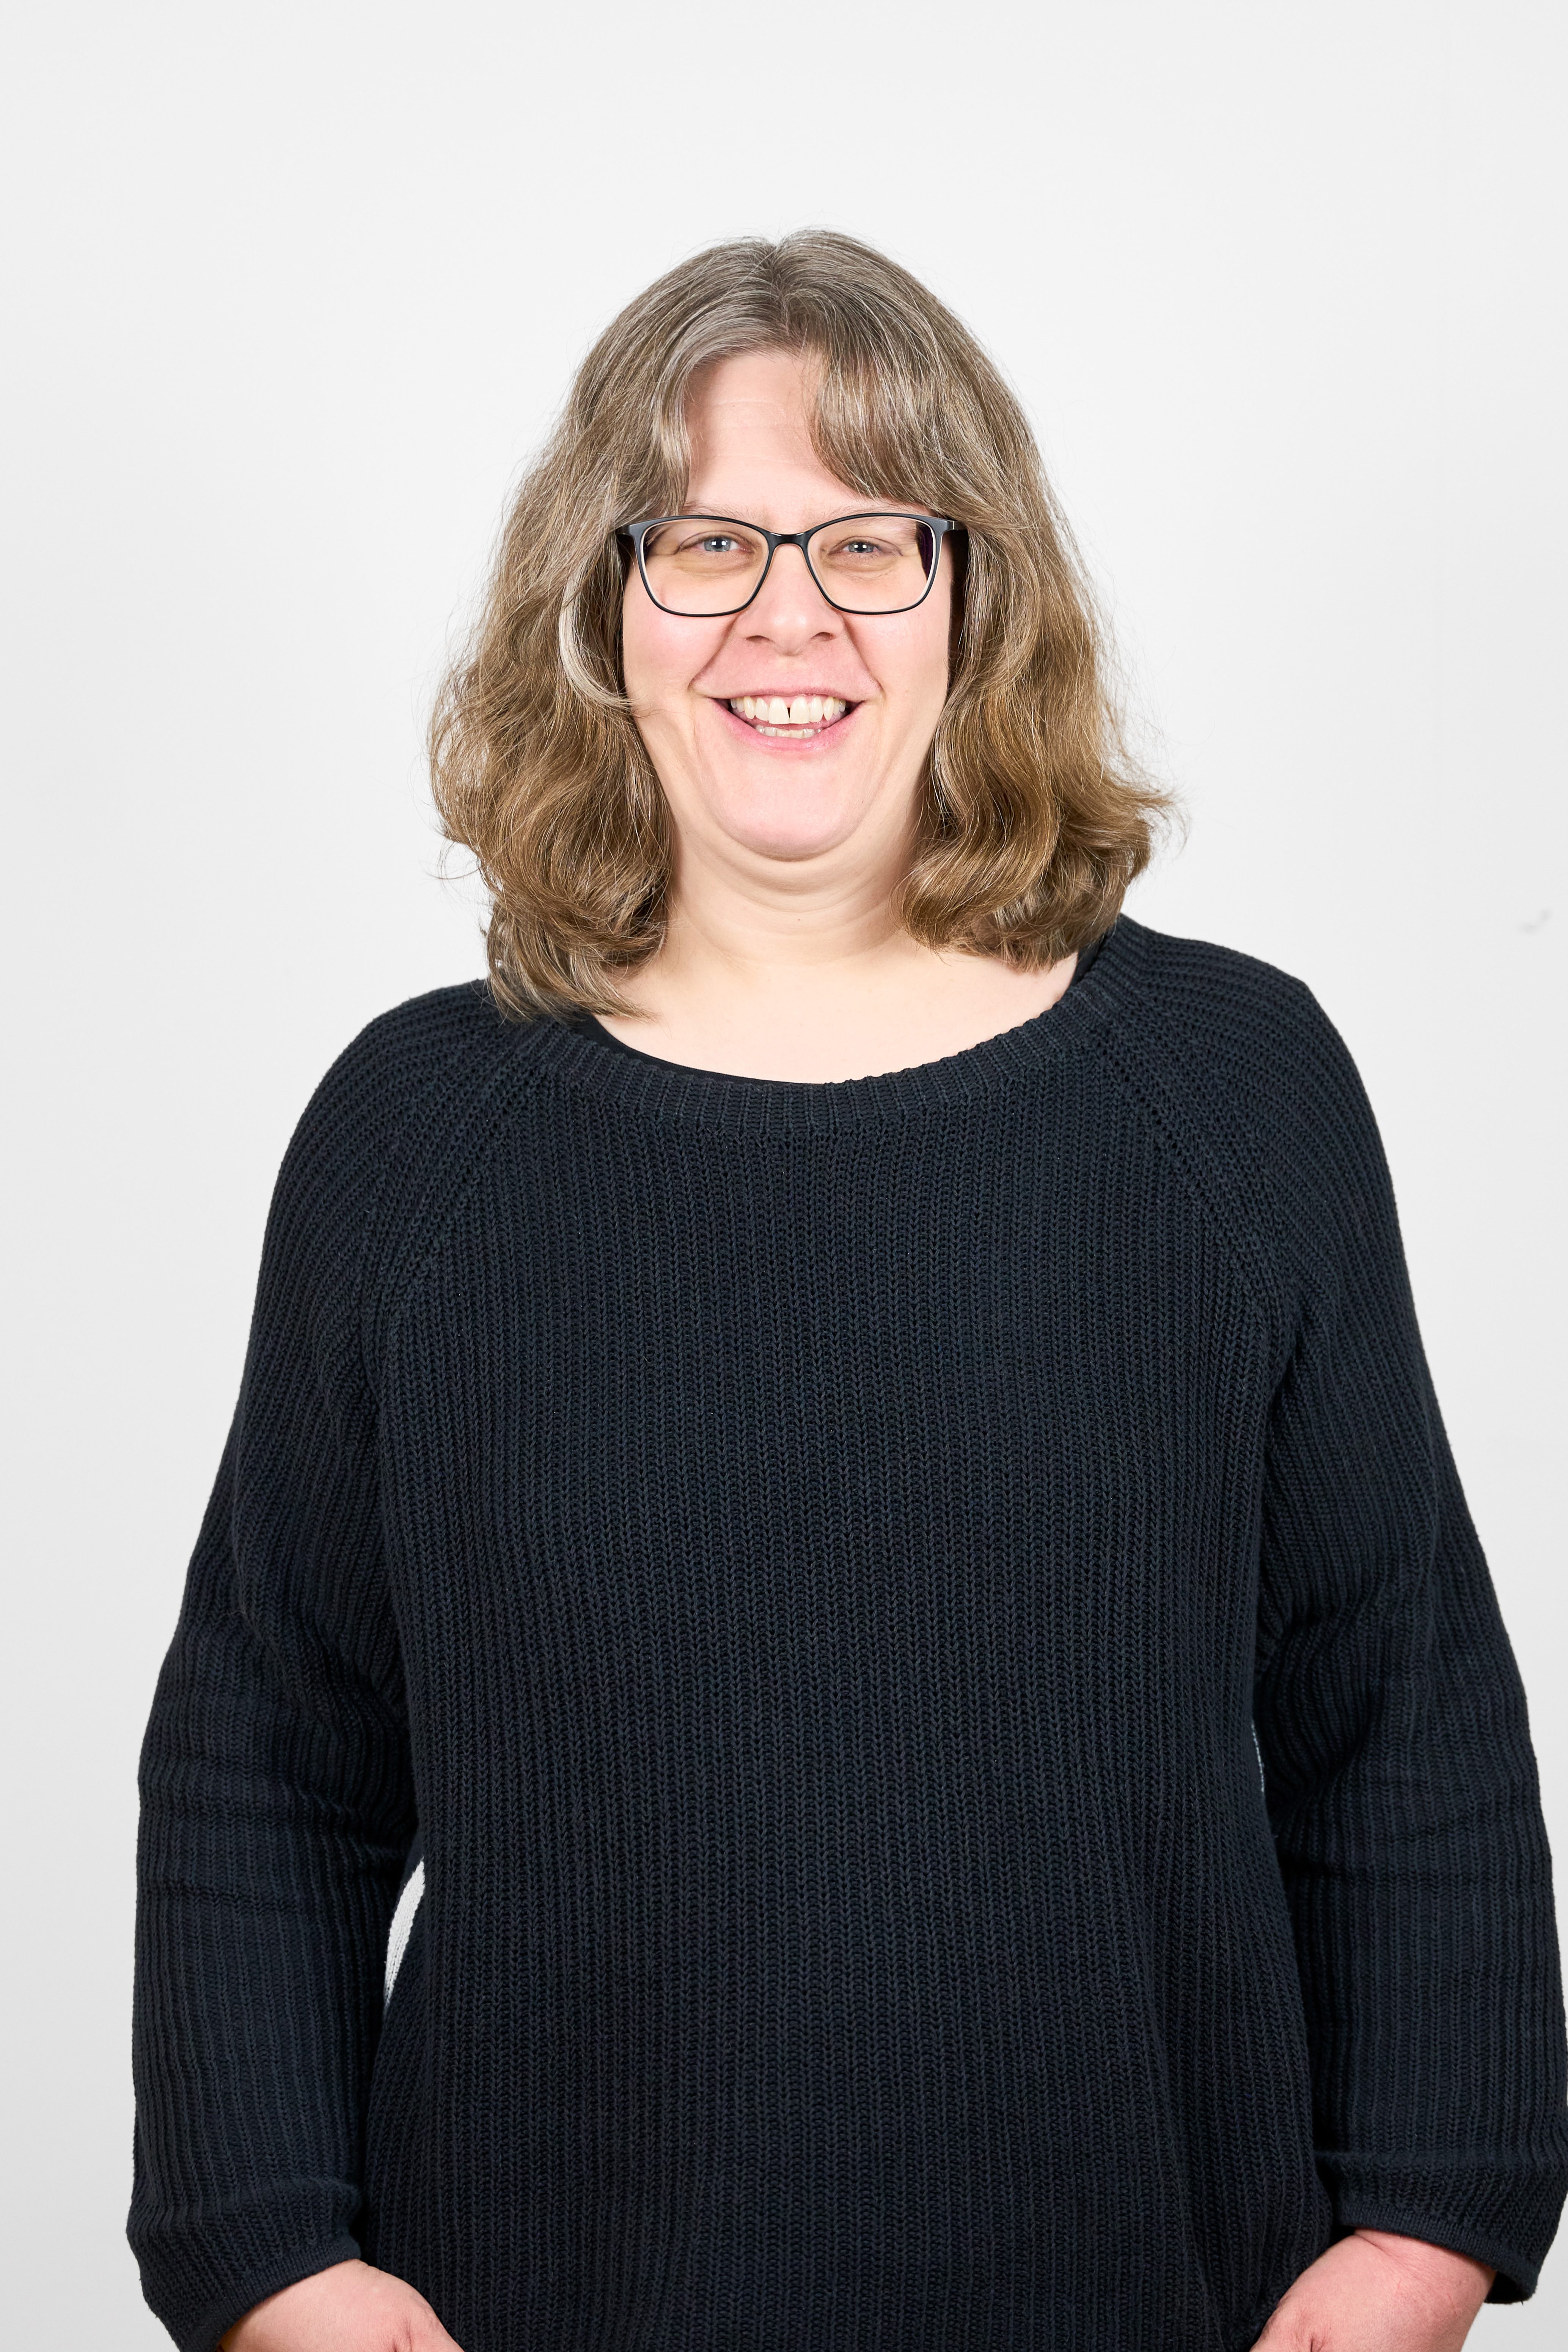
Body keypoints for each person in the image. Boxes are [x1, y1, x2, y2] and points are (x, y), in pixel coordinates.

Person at [129, 231, 1568, 2352]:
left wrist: (1428, 2224)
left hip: (1151, 2290)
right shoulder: (416, 1142)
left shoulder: (1229, 1095)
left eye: (870, 543)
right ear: (603, 611)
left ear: (975, 601)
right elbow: (272, 1758)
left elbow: (1402, 1708)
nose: (784, 616)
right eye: (706, 542)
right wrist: (275, 2262)